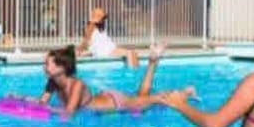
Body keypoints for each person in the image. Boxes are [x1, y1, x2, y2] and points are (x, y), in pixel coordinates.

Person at [33, 42, 190, 116]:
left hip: (116, 103)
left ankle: (185, 93)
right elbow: (42, 102)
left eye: (47, 64)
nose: (44, 67)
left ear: (62, 68)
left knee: (155, 100)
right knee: (143, 96)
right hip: (105, 98)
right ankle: (153, 62)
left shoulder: (76, 85)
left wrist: (47, 110)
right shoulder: (52, 82)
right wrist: (25, 99)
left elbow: (69, 113)